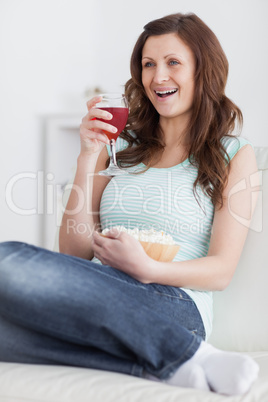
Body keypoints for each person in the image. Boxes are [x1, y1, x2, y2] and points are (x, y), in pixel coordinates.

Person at [0, 12, 260, 395]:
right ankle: (172, 361)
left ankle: (180, 346)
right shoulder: (120, 145)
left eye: (173, 63)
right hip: (103, 287)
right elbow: (74, 250)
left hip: (175, 304)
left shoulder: (234, 154)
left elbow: (220, 271)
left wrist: (148, 268)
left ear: (203, 70)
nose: (158, 77)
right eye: (149, 64)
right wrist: (87, 155)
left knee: (8, 259)